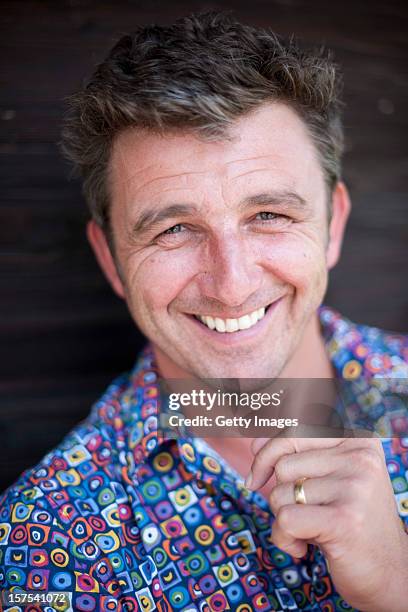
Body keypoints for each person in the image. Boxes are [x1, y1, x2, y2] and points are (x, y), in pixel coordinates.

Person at [1, 11, 407, 611]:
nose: (231, 285)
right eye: (173, 229)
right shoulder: (50, 538)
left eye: (269, 215)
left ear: (332, 225)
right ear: (111, 258)